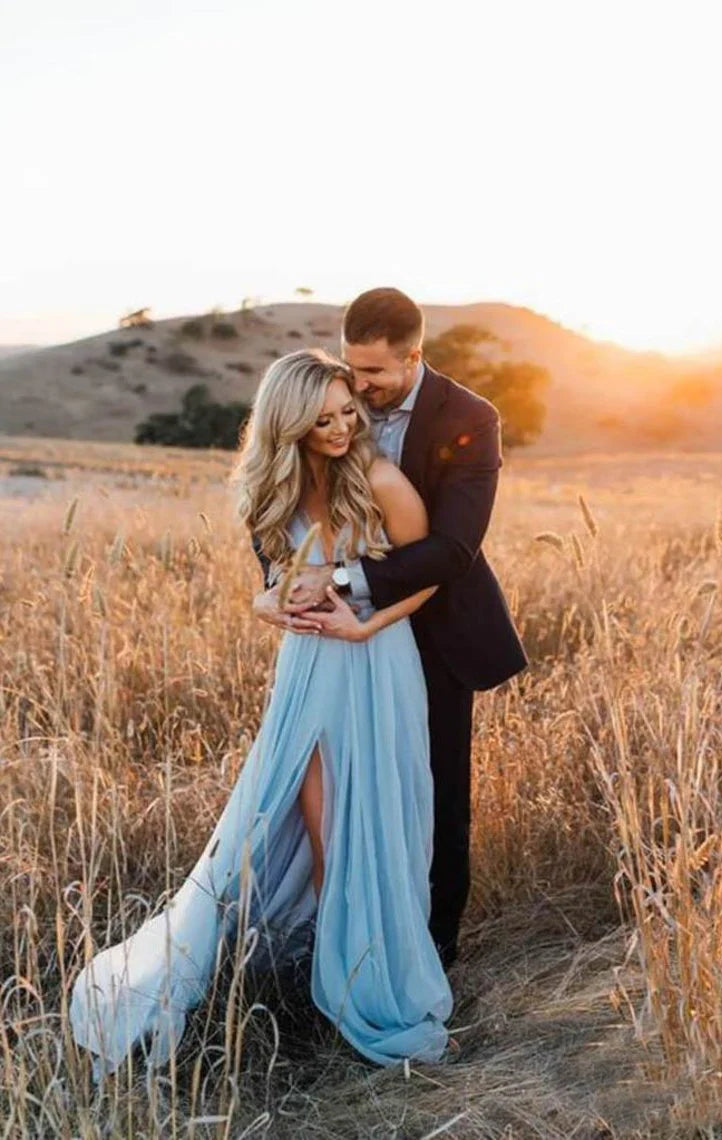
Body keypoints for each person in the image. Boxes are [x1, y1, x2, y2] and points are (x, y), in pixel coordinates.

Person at [68, 348, 453, 1080]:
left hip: (374, 661)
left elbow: (429, 573)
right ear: (290, 423)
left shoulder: (381, 477)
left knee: (369, 818)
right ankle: (322, 964)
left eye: (349, 412)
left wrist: (365, 625)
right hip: (307, 665)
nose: (343, 427)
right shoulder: (276, 490)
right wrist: (265, 599)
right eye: (325, 418)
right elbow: (273, 578)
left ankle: (358, 984)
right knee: (304, 817)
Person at [253, 288, 529, 968]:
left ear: (414, 357)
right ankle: (330, 936)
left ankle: (431, 951)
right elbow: (281, 506)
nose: (360, 387)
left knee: (434, 793)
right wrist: (274, 588)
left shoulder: (469, 417)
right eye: (353, 368)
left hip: (441, 627)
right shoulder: (340, 407)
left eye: (374, 374)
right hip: (338, 641)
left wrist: (342, 585)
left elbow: (454, 549)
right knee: (332, 787)